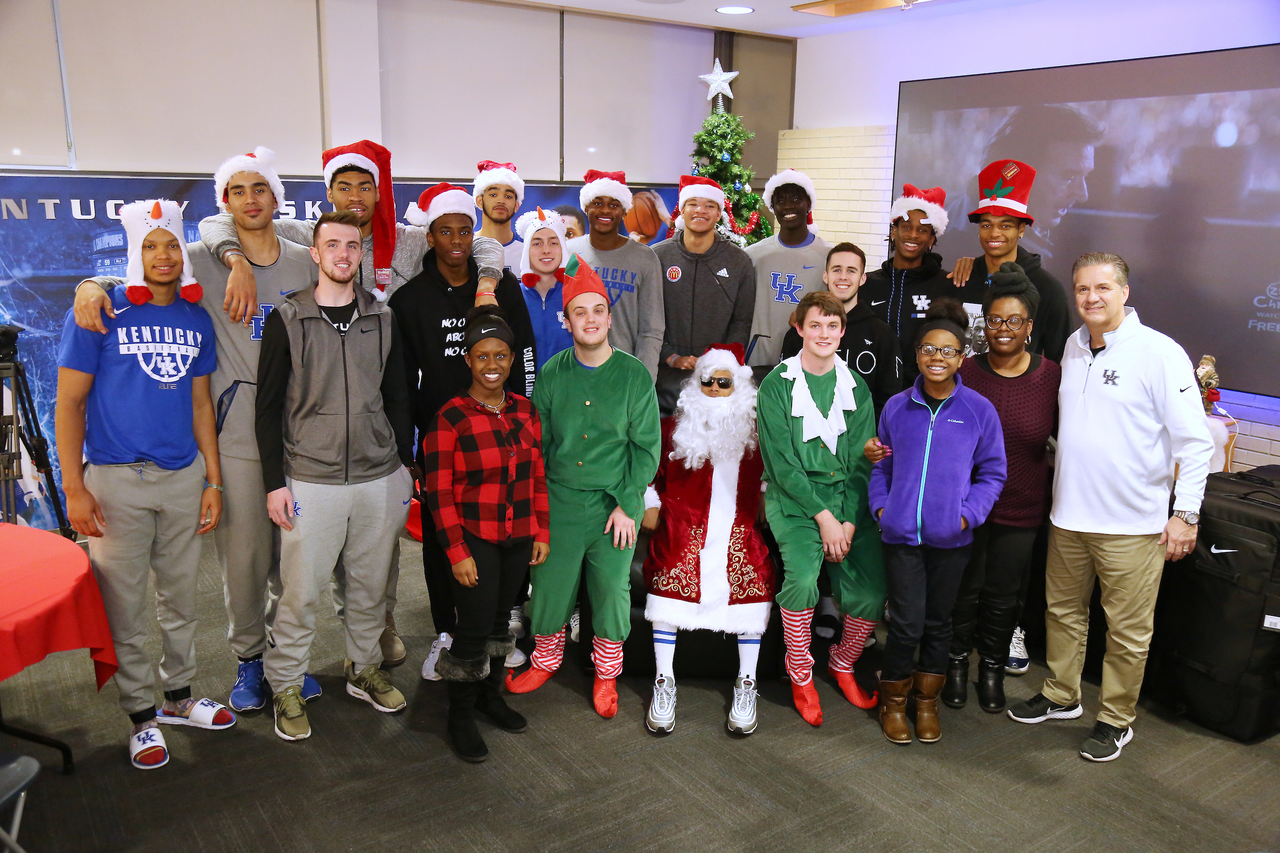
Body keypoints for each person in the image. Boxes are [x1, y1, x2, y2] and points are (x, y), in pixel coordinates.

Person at [197, 140, 502, 663]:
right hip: (310, 425)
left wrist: (489, 281)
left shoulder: (408, 243)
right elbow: (216, 225)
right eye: (344, 185)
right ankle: (271, 660)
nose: (355, 195)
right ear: (326, 199)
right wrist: (235, 261)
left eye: (365, 186)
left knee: (374, 554)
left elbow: (485, 246)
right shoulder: (300, 237)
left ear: (380, 194)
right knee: (294, 559)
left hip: (378, 419)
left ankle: (377, 629)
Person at [70, 148, 325, 709]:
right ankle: (251, 661)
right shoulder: (201, 259)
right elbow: (139, 269)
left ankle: (290, 657)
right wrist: (90, 284)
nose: (250, 199)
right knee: (245, 561)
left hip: (302, 435)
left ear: (276, 197)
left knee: (298, 559)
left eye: (260, 188)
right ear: (224, 202)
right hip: (236, 439)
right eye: (238, 191)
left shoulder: (308, 261)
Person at [1008, 252, 1213, 762]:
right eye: (1081, 289)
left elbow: (1197, 441)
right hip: (1069, 516)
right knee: (1064, 614)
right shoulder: (1074, 347)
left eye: (1102, 288)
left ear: (1124, 292)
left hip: (1133, 525)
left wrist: (1185, 514)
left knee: (1125, 632)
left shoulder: (1160, 352)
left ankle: (1117, 719)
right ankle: (1061, 695)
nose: (1090, 298)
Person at [56, 199, 234, 770]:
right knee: (125, 606)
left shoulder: (196, 318)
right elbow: (69, 403)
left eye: (172, 245)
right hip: (114, 481)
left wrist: (213, 478)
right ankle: (140, 714)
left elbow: (202, 405)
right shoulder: (96, 313)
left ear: (184, 255)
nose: (163, 255)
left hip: (183, 477)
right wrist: (74, 487)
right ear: (134, 254)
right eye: (150, 245)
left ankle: (178, 698)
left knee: (182, 600)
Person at [255, 210, 415, 742]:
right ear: (316, 255)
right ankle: (284, 685)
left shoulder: (384, 318)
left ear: (361, 254)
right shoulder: (288, 318)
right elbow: (268, 407)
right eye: (333, 246)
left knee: (370, 588)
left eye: (353, 245)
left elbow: (397, 398)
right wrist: (275, 484)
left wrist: (403, 471)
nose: (344, 253)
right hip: (310, 480)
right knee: (300, 594)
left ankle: (362, 668)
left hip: (377, 477)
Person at [390, 183, 538, 681]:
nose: (455, 240)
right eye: (444, 231)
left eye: (463, 230)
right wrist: (408, 445)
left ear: (473, 235)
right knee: (442, 538)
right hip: (443, 437)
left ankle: (499, 627)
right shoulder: (410, 299)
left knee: (505, 532)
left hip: (500, 432)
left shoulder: (500, 286)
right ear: (429, 237)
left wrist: (526, 413)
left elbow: (527, 356)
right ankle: (448, 633)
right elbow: (401, 378)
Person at [506, 254, 661, 719]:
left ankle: (607, 674)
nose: (590, 319)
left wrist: (629, 506)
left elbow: (646, 449)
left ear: (610, 318)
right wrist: (536, 510)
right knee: (550, 586)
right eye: (580, 312)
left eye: (598, 311)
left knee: (612, 591)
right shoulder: (553, 373)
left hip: (614, 504)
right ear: (567, 319)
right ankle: (546, 659)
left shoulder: (634, 375)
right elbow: (538, 446)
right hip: (558, 502)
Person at [869, 299, 1006, 745]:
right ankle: (893, 703)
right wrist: (883, 511)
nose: (937, 358)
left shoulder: (979, 409)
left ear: (961, 357)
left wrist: (968, 515)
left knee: (939, 622)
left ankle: (926, 702)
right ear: (917, 354)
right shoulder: (896, 407)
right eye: (929, 349)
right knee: (906, 622)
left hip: (953, 538)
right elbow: (881, 467)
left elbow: (992, 472)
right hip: (901, 536)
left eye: (948, 351)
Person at [423, 307, 549, 762]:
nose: (491, 365)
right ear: (469, 361)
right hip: (474, 538)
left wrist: (541, 530)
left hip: (517, 535)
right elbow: (437, 494)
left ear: (512, 360)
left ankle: (489, 695)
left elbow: (537, 476)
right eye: (481, 356)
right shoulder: (450, 419)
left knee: (502, 622)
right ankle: (459, 715)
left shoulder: (526, 411)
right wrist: (456, 551)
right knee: (473, 629)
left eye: (500, 355)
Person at [757, 290, 884, 727]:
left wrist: (846, 519)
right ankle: (800, 672)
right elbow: (782, 465)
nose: (823, 333)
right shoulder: (776, 386)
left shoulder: (857, 387)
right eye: (815, 325)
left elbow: (860, 461)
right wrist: (824, 518)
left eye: (832, 326)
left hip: (846, 501)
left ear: (842, 331)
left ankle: (843, 662)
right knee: (803, 581)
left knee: (870, 591)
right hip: (794, 500)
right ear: (799, 329)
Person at [939, 268, 1060, 714]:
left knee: (1003, 596)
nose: (1003, 330)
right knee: (963, 591)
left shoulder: (1052, 378)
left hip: (1022, 506)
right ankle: (954, 666)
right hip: (967, 506)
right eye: (994, 321)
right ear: (982, 324)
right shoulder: (965, 372)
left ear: (1029, 326)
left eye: (1013, 321)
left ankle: (990, 670)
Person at [640, 344, 776, 735]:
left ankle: (746, 682)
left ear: (739, 387)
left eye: (724, 382)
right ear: (695, 385)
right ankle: (664, 679)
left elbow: (772, 477)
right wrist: (650, 501)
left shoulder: (756, 435)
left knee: (755, 574)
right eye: (708, 381)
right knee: (668, 571)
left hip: (739, 527)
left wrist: (769, 502)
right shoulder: (672, 429)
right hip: (684, 525)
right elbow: (647, 471)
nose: (715, 389)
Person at [947, 159, 1071, 362]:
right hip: (963, 391)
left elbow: (1060, 360)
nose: (994, 233)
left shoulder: (1047, 289)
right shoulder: (962, 280)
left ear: (1021, 230)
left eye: (1005, 226)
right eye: (986, 225)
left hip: (1020, 392)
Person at [653, 176, 755, 414]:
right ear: (683, 209)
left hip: (716, 380)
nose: (701, 211)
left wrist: (718, 362)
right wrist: (671, 356)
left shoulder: (739, 262)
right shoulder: (657, 257)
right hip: (664, 377)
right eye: (693, 204)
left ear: (719, 213)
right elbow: (647, 318)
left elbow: (742, 321)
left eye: (710, 205)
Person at [780, 241, 900, 419]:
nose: (843, 277)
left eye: (851, 270)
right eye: (836, 270)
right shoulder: (800, 333)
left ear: (862, 278)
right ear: (825, 276)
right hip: (805, 439)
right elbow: (784, 392)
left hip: (861, 440)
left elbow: (889, 400)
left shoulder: (882, 335)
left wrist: (868, 437)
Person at [565, 169, 665, 380]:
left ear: (624, 211)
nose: (605, 211)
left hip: (624, 373)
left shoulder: (645, 258)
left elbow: (651, 330)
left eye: (613, 205)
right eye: (598, 203)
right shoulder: (567, 252)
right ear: (585, 207)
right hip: (574, 372)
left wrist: (643, 379)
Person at [862, 184, 958, 385]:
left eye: (922, 230)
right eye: (906, 227)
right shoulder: (867, 284)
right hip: (868, 396)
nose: (913, 235)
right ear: (894, 232)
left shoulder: (946, 285)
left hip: (922, 396)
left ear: (931, 239)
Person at [746, 169, 830, 369]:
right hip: (759, 359)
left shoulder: (828, 256)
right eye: (781, 201)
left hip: (809, 358)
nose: (788, 206)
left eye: (795, 199)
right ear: (772, 206)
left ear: (808, 204)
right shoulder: (753, 255)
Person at [516, 207, 574, 373]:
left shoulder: (577, 295)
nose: (546, 250)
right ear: (527, 249)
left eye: (553, 242)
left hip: (570, 393)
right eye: (537, 243)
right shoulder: (513, 297)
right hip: (523, 395)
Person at [472, 160, 525, 272]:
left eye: (508, 196)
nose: (501, 200)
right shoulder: (467, 248)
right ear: (479, 201)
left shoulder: (528, 250)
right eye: (493, 195)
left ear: (516, 205)